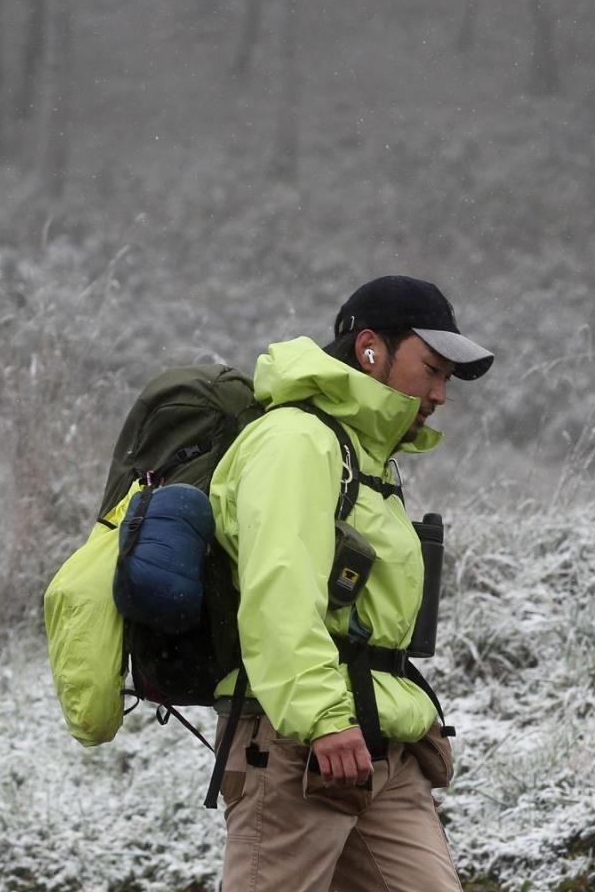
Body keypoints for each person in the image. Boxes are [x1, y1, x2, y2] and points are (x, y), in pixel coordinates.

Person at [207, 275, 494, 892]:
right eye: (432, 370)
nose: (441, 394)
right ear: (370, 348)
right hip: (297, 749)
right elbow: (277, 593)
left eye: (448, 379)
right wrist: (324, 719)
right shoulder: (297, 441)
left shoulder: (368, 458)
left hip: (377, 746)